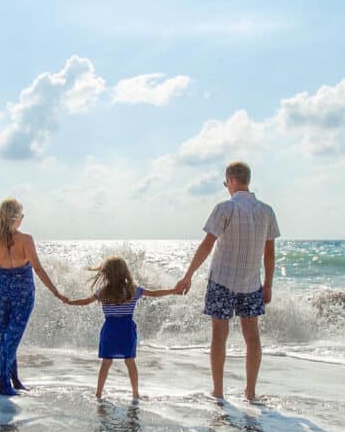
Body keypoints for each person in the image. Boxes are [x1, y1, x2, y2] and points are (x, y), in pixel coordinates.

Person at [174, 161, 280, 402]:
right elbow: (270, 254)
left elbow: (207, 245)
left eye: (226, 183)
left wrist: (188, 275)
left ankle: (218, 392)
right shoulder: (267, 210)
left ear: (231, 180)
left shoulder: (225, 208)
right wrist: (269, 284)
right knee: (252, 337)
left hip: (222, 280)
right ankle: (250, 392)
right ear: (248, 180)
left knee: (219, 336)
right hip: (252, 283)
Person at [0, 198, 67, 396]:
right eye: (21, 215)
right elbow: (37, 268)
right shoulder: (25, 239)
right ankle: (1, 383)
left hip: (0, 290)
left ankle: (14, 380)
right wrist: (56, 291)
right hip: (22, 292)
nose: (22, 219)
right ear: (16, 218)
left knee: (6, 339)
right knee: (9, 339)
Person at [65, 256, 176, 400]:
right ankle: (135, 394)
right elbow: (154, 293)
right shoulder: (133, 290)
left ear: (106, 273)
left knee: (106, 362)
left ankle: (98, 393)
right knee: (130, 362)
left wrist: (69, 302)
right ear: (125, 272)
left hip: (110, 330)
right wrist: (173, 290)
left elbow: (85, 302)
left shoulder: (103, 292)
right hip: (126, 330)